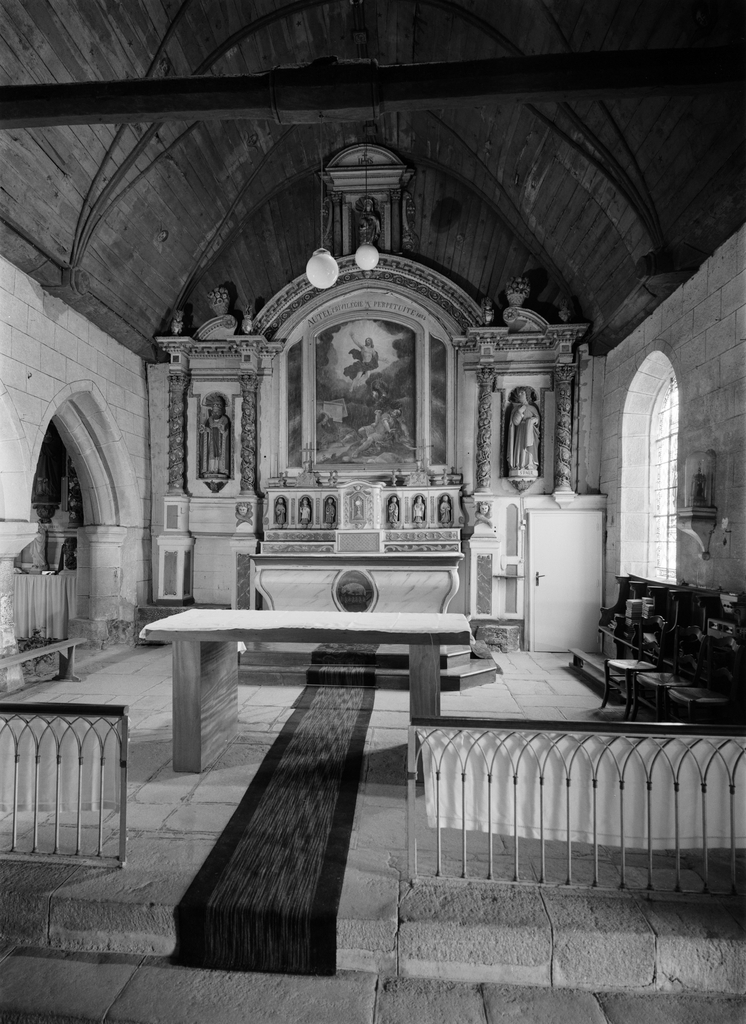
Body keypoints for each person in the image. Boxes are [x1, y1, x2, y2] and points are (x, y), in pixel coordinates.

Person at [508, 388, 540, 472]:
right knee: (520, 448)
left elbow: (538, 420)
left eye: (522, 393)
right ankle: (519, 465)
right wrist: (519, 412)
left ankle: (529, 464)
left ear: (527, 395)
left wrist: (534, 420)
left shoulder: (532, 408)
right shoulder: (516, 409)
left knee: (529, 447)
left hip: (530, 431)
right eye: (519, 393)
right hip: (520, 431)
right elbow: (515, 422)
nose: (519, 395)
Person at [199, 396, 231, 478]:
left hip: (221, 441)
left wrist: (223, 429)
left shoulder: (224, 419)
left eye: (217, 410)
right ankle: (211, 469)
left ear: (221, 409)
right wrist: (203, 429)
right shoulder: (209, 419)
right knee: (211, 454)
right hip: (211, 441)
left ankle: (221, 469)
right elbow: (206, 429)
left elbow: (226, 431)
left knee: (219, 454)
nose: (215, 412)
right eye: (214, 410)